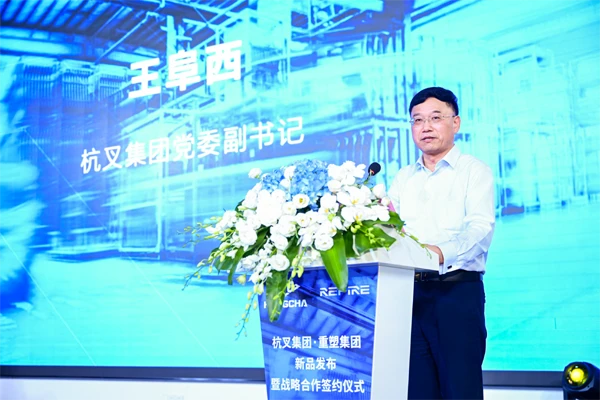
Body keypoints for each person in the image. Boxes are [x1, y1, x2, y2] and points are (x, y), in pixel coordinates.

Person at [388, 87, 495, 400]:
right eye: (417, 120)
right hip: (408, 296)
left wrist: (439, 253)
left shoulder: (474, 171)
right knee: (416, 390)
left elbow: (480, 228)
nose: (426, 127)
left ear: (455, 123)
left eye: (435, 118)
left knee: (460, 390)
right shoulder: (403, 178)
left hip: (455, 293)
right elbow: (391, 232)